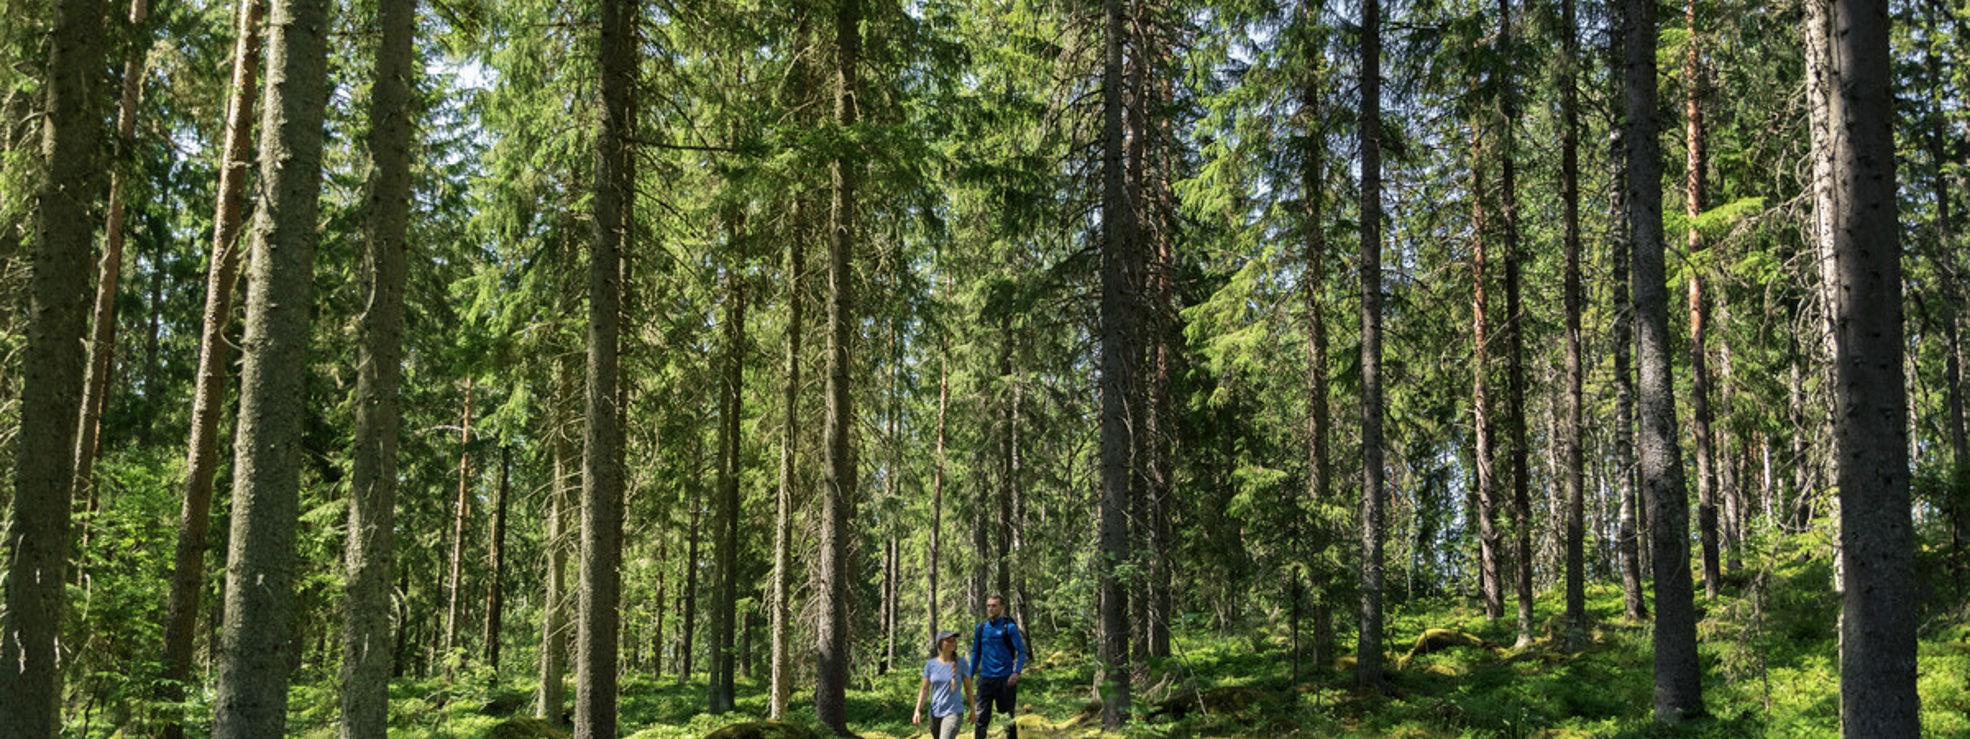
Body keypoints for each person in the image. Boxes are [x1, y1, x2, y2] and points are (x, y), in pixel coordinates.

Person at [969, 594, 1028, 739]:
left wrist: (1016, 673)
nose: (990, 609)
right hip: (985, 680)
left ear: (1001, 607)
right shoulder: (981, 628)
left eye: (994, 606)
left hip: (1005, 680)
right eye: (988, 606)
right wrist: (968, 676)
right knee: (981, 719)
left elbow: (1021, 652)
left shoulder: (1010, 628)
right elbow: (976, 652)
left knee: (1006, 718)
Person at [914, 629, 973, 739]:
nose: (953, 643)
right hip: (934, 713)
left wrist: (973, 710)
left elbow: (968, 688)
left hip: (954, 711)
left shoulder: (962, 663)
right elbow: (924, 689)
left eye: (954, 640)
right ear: (940, 643)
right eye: (949, 640)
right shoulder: (930, 665)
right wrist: (917, 710)